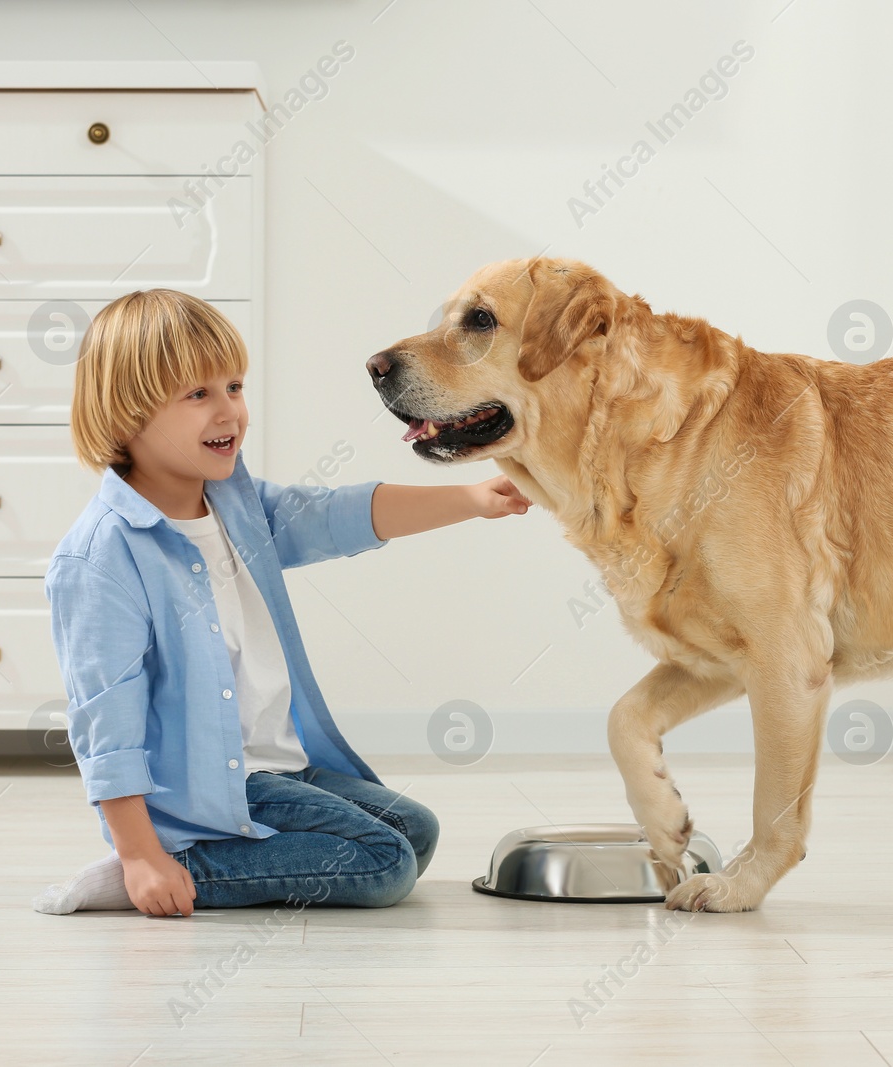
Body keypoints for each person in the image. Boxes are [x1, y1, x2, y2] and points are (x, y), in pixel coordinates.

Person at [32, 288, 530, 917]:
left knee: (416, 831)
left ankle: (225, 854)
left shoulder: (236, 503)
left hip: (281, 769)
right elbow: (106, 722)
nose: (228, 412)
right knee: (383, 864)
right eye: (198, 395)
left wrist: (472, 499)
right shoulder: (103, 555)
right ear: (128, 412)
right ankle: (171, 868)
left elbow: (333, 516)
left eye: (234, 387)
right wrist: (138, 855)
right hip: (219, 787)